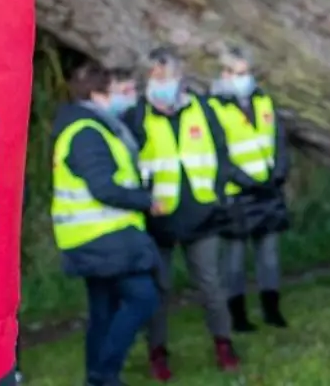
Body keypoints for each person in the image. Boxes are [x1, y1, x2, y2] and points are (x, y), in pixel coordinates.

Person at [123, 46, 254, 382]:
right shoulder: (136, 116)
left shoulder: (202, 109)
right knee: (158, 289)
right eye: (155, 77)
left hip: (202, 213)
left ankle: (224, 344)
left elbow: (221, 154)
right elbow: (127, 164)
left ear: (180, 78)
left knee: (210, 284)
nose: (162, 83)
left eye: (168, 76)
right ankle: (158, 352)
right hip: (157, 219)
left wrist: (219, 195)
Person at [50, 60, 162, 386]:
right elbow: (104, 187)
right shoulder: (87, 133)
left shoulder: (89, 128)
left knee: (104, 311)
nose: (120, 98)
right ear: (98, 94)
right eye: (115, 91)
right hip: (103, 237)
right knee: (143, 299)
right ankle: (104, 373)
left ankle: (95, 378)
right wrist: (145, 201)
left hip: (94, 238)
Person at [209, 46, 290, 332]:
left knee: (269, 254)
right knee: (234, 259)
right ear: (225, 74)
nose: (245, 79)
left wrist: (278, 173)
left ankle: (272, 309)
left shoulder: (263, 100)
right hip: (237, 193)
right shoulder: (214, 108)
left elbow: (278, 140)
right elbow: (218, 155)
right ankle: (238, 315)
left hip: (268, 189)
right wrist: (246, 181)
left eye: (248, 72)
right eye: (238, 73)